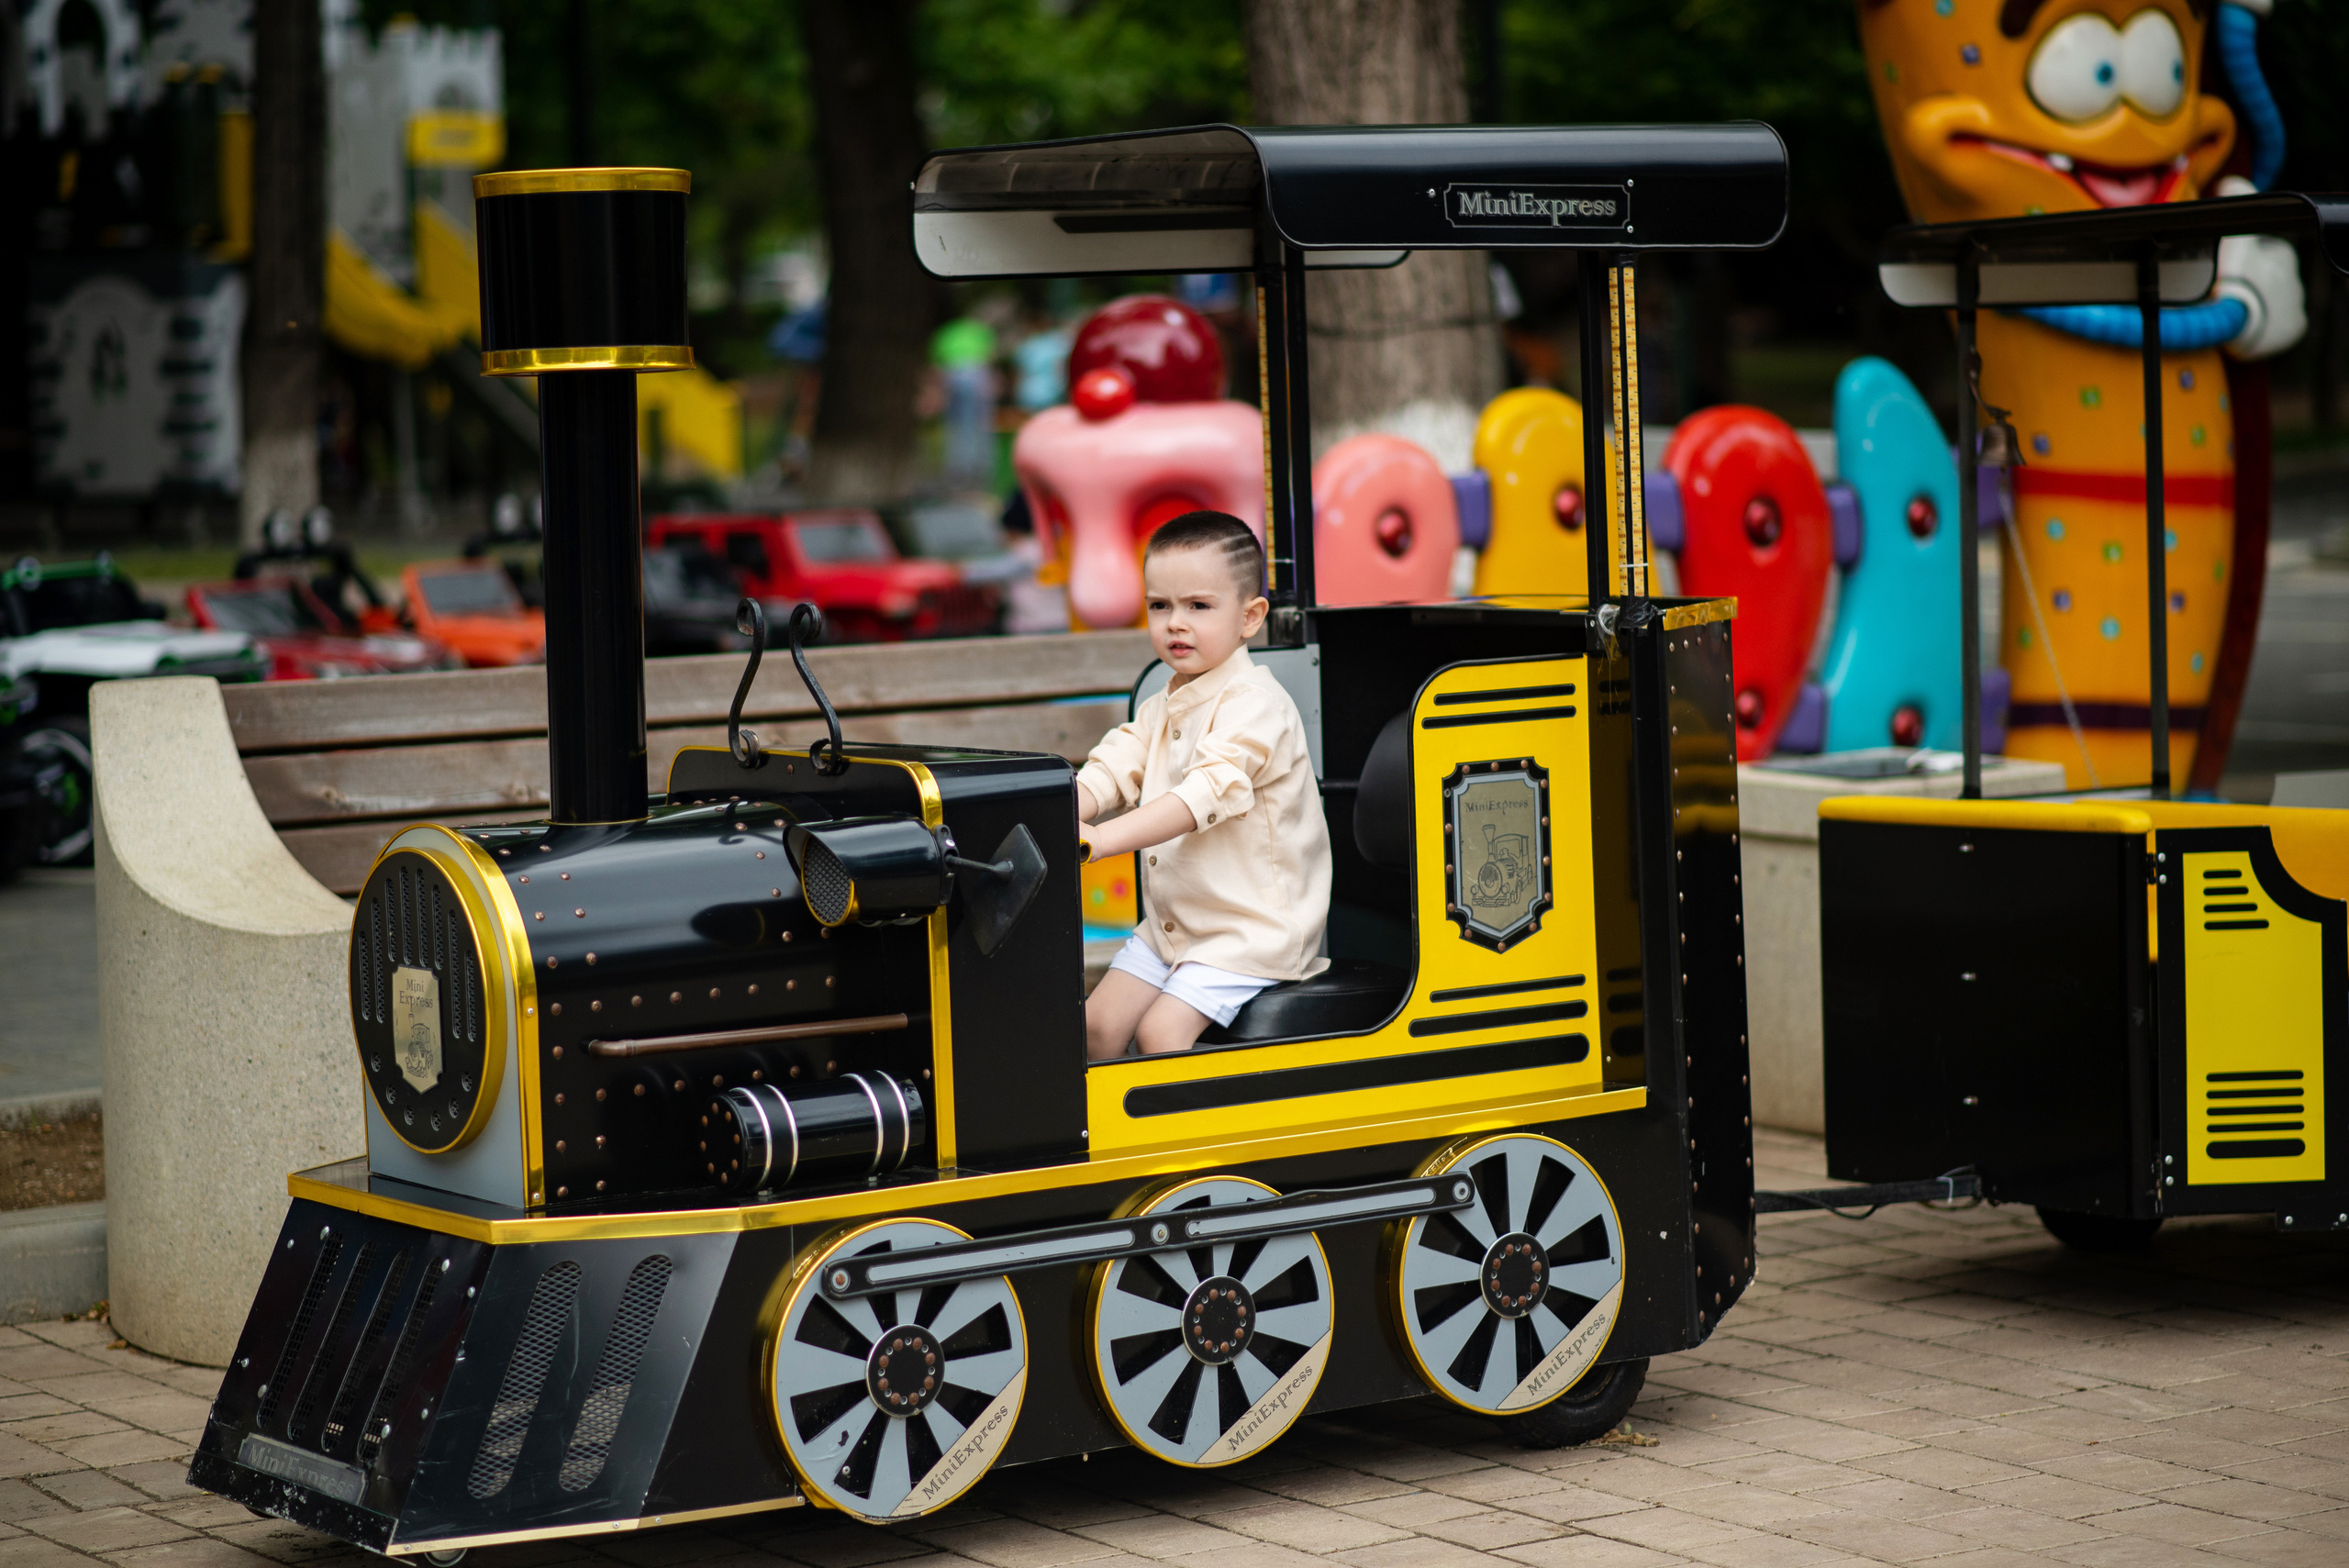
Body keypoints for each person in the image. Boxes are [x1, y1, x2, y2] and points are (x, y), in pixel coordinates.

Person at [1075, 512, 1332, 1061]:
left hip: (1250, 930)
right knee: (1095, 1026)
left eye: (1198, 606)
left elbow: (1201, 796)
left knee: (1160, 1033)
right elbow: (1114, 766)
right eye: (1160, 606)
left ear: (1250, 617)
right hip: (1179, 926)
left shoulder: (1255, 706)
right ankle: (1109, 1147)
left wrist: (1101, 841)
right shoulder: (1162, 704)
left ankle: (1194, 1146)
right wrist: (1059, 806)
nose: (1175, 623)